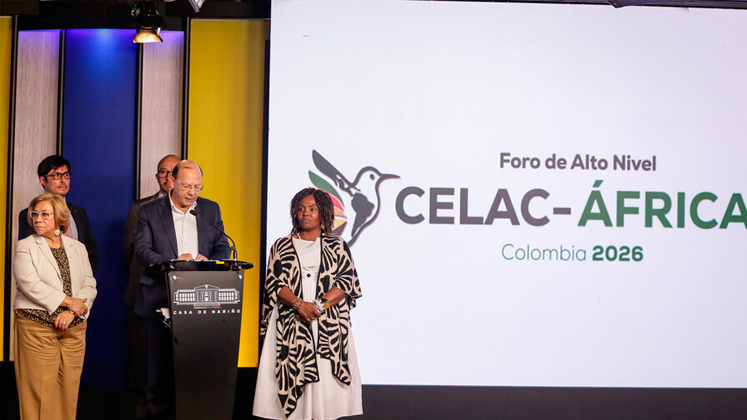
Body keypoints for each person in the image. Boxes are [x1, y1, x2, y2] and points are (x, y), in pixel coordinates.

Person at [253, 187, 363, 420]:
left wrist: (317, 307)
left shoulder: (337, 245)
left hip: (327, 323)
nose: (306, 213)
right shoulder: (281, 245)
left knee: (325, 388)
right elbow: (274, 282)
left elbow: (346, 281)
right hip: (290, 322)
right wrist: (299, 305)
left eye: (312, 209)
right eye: (301, 209)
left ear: (323, 213)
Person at [134, 159, 231, 420]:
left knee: (197, 369)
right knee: (159, 371)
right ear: (172, 182)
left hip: (201, 300)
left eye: (197, 187)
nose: (192, 192)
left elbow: (223, 246)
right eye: (187, 186)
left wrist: (209, 262)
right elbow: (141, 251)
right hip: (160, 297)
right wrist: (172, 263)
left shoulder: (210, 209)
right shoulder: (149, 211)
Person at [13, 193, 97, 420]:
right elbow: (30, 284)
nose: (38, 219)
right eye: (35, 214)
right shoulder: (25, 246)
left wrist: (72, 312)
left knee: (68, 392)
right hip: (37, 328)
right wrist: (71, 302)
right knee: (40, 394)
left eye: (44, 214)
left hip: (74, 328)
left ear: (59, 217)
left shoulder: (77, 247)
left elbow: (89, 284)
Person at [123, 154, 180, 419]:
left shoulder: (198, 210)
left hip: (182, 294)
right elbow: (131, 251)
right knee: (144, 359)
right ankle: (142, 410)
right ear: (157, 176)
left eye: (173, 172)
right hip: (144, 293)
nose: (168, 177)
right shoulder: (141, 208)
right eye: (163, 172)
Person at [18, 155, 98, 272]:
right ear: (43, 180)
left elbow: (91, 252)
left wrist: (85, 277)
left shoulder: (79, 212)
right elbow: (29, 256)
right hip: (45, 279)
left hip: (78, 279)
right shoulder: (30, 214)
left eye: (66, 175)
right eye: (56, 175)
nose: (63, 180)